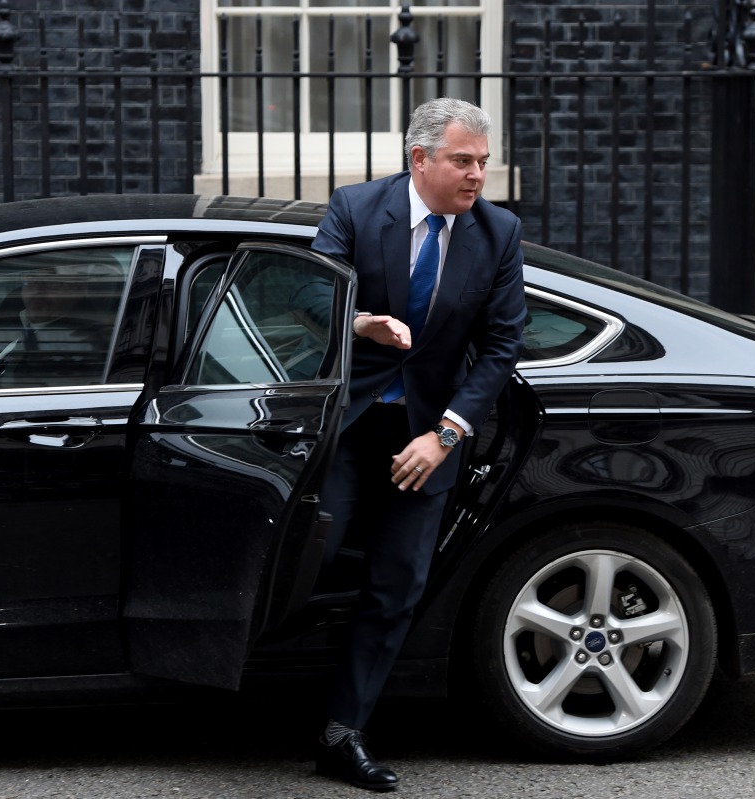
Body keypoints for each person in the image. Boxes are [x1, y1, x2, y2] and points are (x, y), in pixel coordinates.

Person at [310, 97, 527, 792]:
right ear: (420, 159)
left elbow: (500, 347)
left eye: (484, 163)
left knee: (396, 584)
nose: (476, 176)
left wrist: (447, 434)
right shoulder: (354, 207)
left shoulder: (498, 232)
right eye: (463, 160)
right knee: (304, 557)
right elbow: (312, 298)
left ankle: (341, 731)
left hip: (429, 433)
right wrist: (363, 321)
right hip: (347, 424)